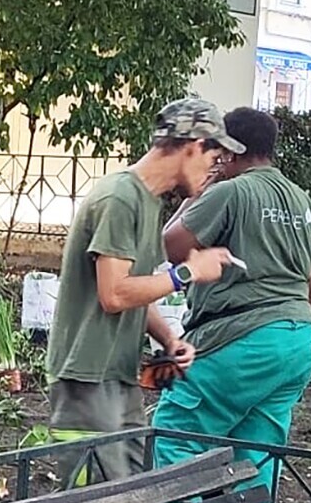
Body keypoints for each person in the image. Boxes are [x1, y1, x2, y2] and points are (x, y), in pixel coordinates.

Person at [44, 97, 238, 479]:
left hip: (116, 375)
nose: (215, 169)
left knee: (131, 494)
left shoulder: (147, 201)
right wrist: (188, 273)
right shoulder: (120, 198)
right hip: (86, 380)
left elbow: (136, 290)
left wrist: (169, 339)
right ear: (193, 145)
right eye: (214, 156)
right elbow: (114, 295)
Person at [152, 106, 311, 497]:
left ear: (231, 150)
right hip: (298, 341)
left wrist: (197, 195)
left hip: (242, 338)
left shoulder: (230, 192)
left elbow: (171, 245)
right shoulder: (305, 203)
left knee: (177, 435)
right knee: (257, 454)